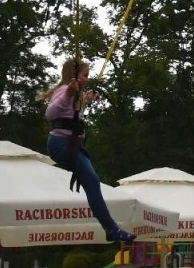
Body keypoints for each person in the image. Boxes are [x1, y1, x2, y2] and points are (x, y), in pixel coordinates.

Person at [42, 58, 134, 244]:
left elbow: (72, 114)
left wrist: (86, 100)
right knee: (92, 182)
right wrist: (69, 94)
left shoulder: (76, 95)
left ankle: (110, 229)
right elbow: (50, 113)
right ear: (73, 76)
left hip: (70, 145)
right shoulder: (64, 91)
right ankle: (112, 229)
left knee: (92, 183)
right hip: (61, 145)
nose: (87, 79)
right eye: (85, 75)